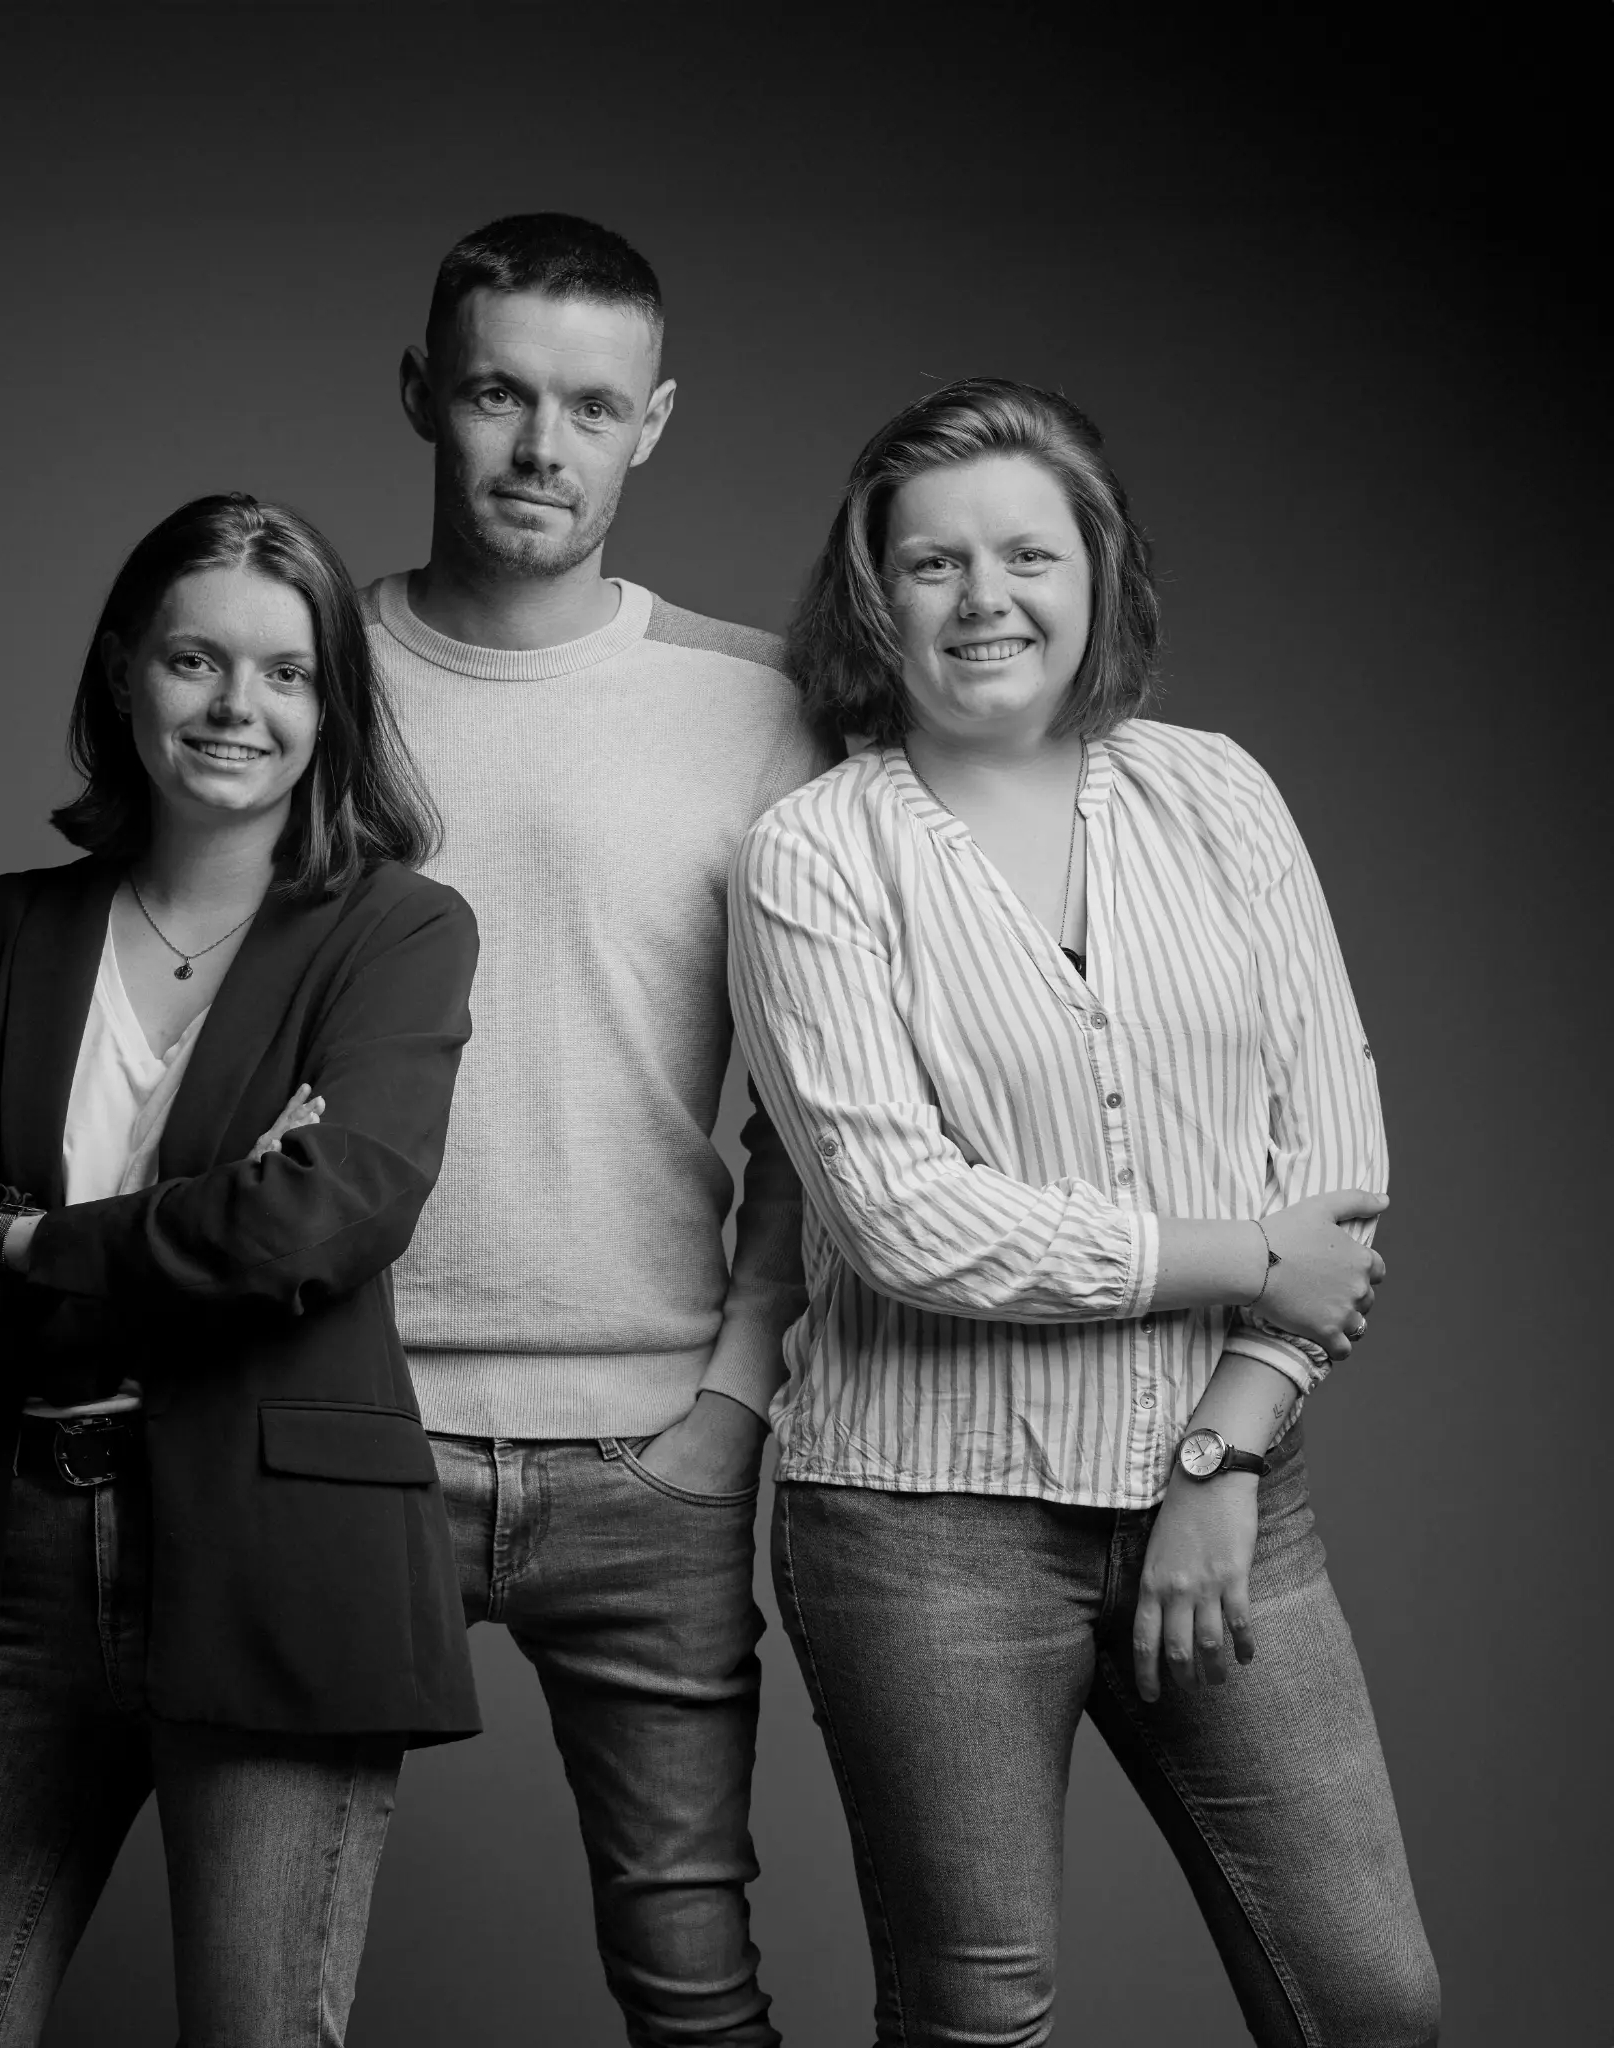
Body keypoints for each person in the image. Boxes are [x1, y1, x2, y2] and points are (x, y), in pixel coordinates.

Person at [727, 380, 1441, 2046]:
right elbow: (904, 1221)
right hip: (924, 1530)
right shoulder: (812, 855)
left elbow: (1332, 1169)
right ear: (870, 592)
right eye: (934, 565)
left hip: (1232, 1493)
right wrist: (1240, 1255)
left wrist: (1220, 1453)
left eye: (1028, 554)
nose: (987, 603)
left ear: (1099, 571)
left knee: (1371, 2001)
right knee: (983, 2021)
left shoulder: (1219, 793)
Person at [0, 493, 481, 2048]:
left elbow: (316, 1227)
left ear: (333, 706)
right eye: (197, 660)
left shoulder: (393, 935)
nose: (235, 708)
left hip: (275, 1550)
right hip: (16, 1554)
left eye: (285, 672)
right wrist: (209, 1220)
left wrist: (5, 1225)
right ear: (128, 672)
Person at [363, 213, 831, 2046]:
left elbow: (820, 1103)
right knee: (273, 1971)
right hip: (330, 1429)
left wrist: (737, 1395)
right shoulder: (293, 681)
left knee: (696, 1991)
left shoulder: (759, 702)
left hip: (651, 1445)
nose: (538, 448)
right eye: (494, 391)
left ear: (656, 424)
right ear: (423, 394)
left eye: (588, 404)